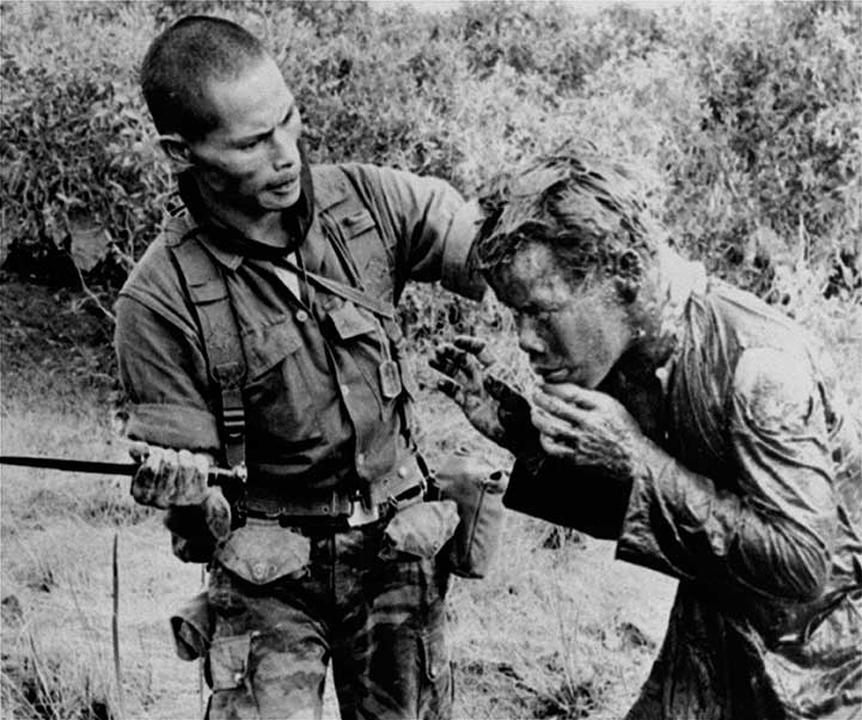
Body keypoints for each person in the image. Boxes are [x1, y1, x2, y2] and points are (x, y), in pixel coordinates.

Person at [115, 15, 485, 720]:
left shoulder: (370, 204)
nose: (287, 154)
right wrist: (183, 488)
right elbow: (199, 508)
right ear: (180, 152)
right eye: (253, 142)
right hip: (269, 573)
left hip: (398, 553)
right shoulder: (158, 298)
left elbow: (493, 255)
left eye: (288, 122)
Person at [432, 152, 862, 719]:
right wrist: (522, 437)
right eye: (516, 315)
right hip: (717, 628)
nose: (526, 340)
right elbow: (655, 516)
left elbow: (802, 564)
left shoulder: (760, 368)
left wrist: (637, 457)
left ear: (624, 274)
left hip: (824, 665)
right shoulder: (635, 352)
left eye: (540, 312)